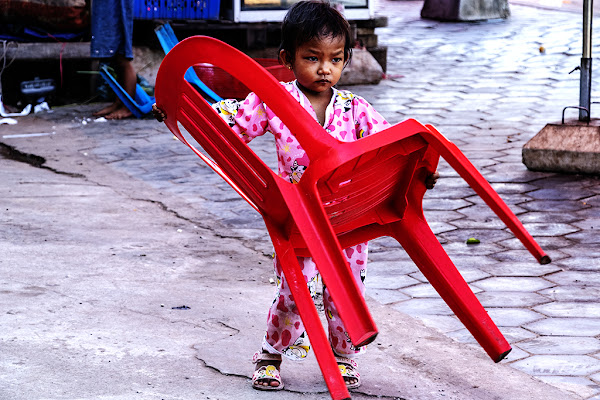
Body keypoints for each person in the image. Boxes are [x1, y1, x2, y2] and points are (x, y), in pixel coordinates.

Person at [153, 0, 438, 391]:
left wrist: (419, 172)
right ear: (287, 58)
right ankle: (270, 355)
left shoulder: (355, 109)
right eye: (312, 58)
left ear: (346, 59)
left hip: (349, 215)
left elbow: (389, 146)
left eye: (335, 59)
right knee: (293, 291)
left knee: (347, 291)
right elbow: (231, 123)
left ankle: (344, 357)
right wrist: (178, 109)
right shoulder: (274, 101)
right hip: (299, 217)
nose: (325, 69)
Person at [90, 0, 136, 120]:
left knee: (122, 56)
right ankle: (119, 102)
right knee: (114, 57)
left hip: (117, 5)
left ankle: (128, 107)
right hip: (106, 6)